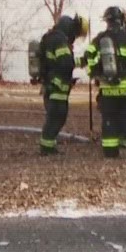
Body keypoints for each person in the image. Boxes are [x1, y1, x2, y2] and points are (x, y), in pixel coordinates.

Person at [81, 6, 126, 159]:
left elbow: (87, 56)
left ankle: (110, 152)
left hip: (107, 88)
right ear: (121, 19)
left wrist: (94, 74)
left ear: (106, 21)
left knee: (109, 119)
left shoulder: (100, 38)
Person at [37, 13, 88, 155]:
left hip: (53, 85)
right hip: (57, 86)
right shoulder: (59, 40)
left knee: (56, 116)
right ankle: (46, 147)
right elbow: (65, 62)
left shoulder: (53, 37)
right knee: (57, 116)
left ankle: (49, 146)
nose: (76, 37)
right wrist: (82, 61)